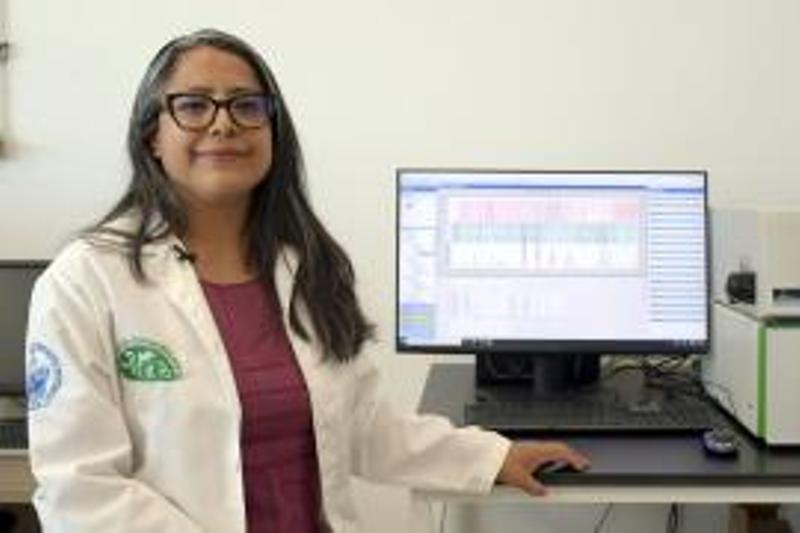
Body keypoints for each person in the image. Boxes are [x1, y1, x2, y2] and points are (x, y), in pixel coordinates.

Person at [25, 28, 589, 533]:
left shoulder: (307, 266)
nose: (222, 123)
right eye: (193, 105)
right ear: (152, 134)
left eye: (247, 105)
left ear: (273, 131)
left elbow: (361, 427)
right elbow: (80, 490)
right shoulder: (86, 281)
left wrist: (491, 457)